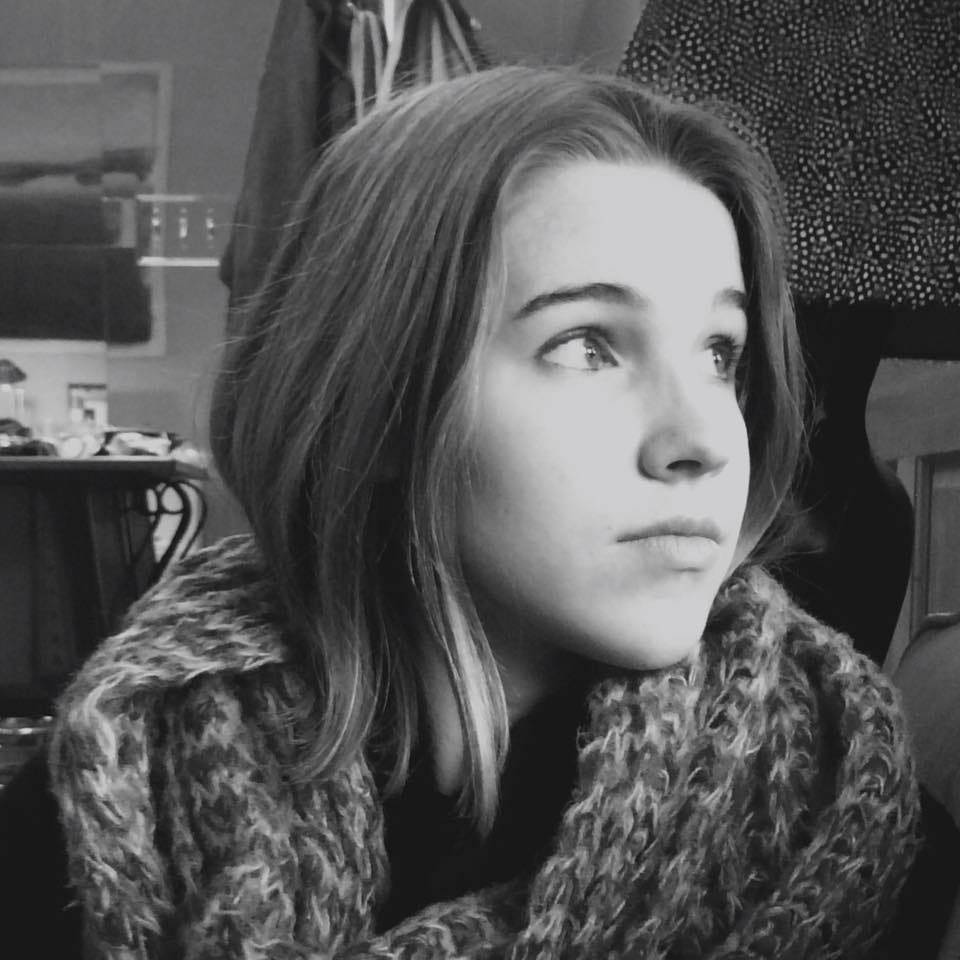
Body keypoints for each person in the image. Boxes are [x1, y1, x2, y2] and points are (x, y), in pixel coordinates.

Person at [0, 66, 925, 959]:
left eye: (721, 353)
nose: (704, 441)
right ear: (380, 405)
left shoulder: (841, 819)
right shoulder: (120, 784)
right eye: (587, 345)